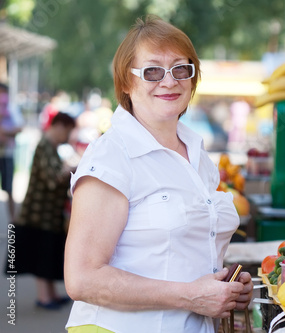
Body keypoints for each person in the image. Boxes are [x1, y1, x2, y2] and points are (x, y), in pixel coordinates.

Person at [64, 15, 253, 333]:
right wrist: (191, 296)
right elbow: (82, 279)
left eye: (181, 68)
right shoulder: (113, 156)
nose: (169, 81)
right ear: (126, 82)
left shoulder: (198, 154)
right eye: (152, 71)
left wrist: (225, 288)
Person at [6, 112, 76, 309]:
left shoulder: (50, 146)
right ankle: (44, 297)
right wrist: (73, 170)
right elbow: (52, 179)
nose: (68, 136)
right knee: (41, 255)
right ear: (59, 126)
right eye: (68, 131)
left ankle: (50, 295)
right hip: (38, 214)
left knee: (48, 253)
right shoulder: (44, 145)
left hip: (46, 214)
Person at [0, 83, 22, 221]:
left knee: (9, 189)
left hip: (7, 153)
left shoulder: (11, 108)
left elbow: (19, 127)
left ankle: (12, 224)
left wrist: (4, 133)